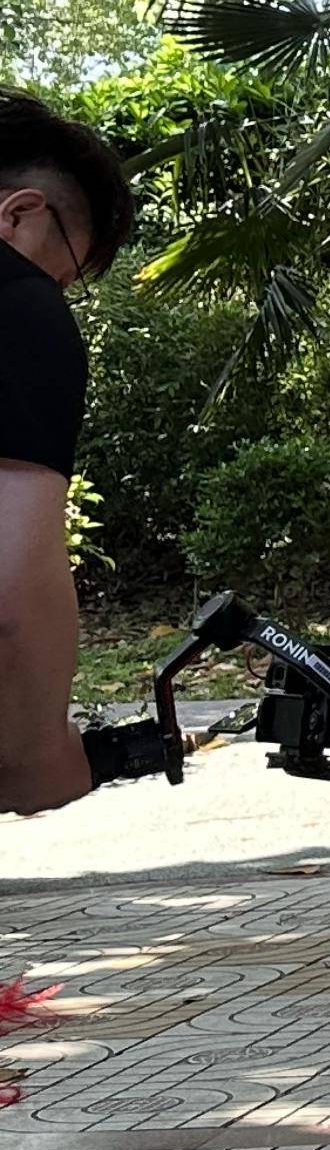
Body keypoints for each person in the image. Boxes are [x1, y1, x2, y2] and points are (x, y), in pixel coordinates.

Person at [0, 90, 133, 813]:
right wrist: (39, 757)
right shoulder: (18, 305)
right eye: (65, 275)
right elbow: (11, 589)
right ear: (20, 214)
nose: (57, 292)